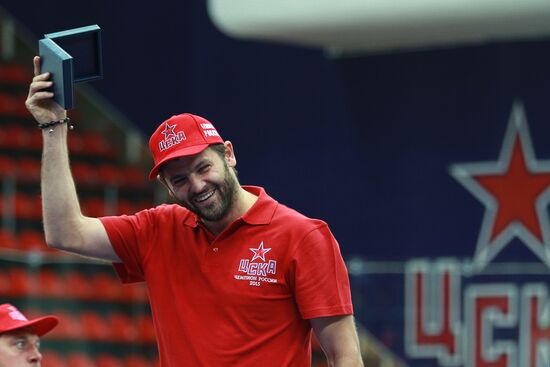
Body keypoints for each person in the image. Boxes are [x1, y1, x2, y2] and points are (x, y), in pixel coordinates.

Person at [26, 56, 363, 367]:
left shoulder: (303, 236)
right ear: (168, 187)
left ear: (228, 154)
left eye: (204, 168)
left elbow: (345, 356)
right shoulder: (157, 229)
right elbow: (64, 231)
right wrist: (53, 127)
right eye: (180, 179)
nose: (198, 185)